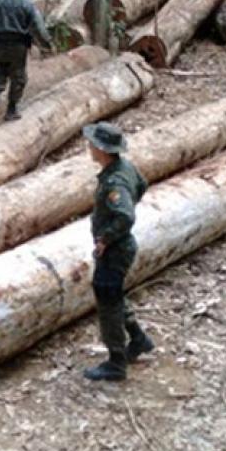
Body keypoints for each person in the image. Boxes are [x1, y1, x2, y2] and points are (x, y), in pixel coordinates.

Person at [81, 122, 153, 382]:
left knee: (108, 302)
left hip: (115, 250)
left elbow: (125, 215)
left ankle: (116, 362)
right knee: (113, 295)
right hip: (119, 247)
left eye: (92, 144)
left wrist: (106, 238)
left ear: (101, 149)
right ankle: (138, 338)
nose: (89, 147)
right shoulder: (124, 168)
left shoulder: (114, 182)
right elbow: (142, 185)